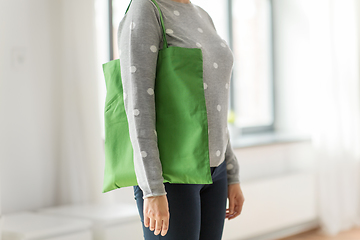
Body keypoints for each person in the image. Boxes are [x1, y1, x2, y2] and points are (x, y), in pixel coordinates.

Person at [118, 0, 245, 239]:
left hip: (215, 173)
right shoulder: (147, 8)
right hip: (170, 176)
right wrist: (152, 189)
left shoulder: (202, 15)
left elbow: (214, 104)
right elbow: (137, 106)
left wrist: (231, 171)